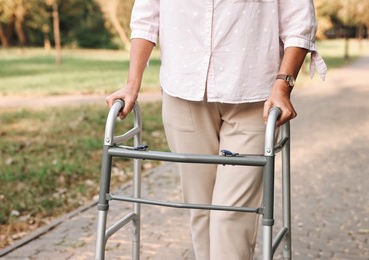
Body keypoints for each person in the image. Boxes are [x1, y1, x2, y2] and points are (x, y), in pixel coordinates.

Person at [106, 1, 326, 259]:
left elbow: (298, 20)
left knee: (231, 214)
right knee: (200, 210)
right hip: (183, 91)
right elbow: (146, 18)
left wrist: (283, 85)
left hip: (254, 96)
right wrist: (132, 85)